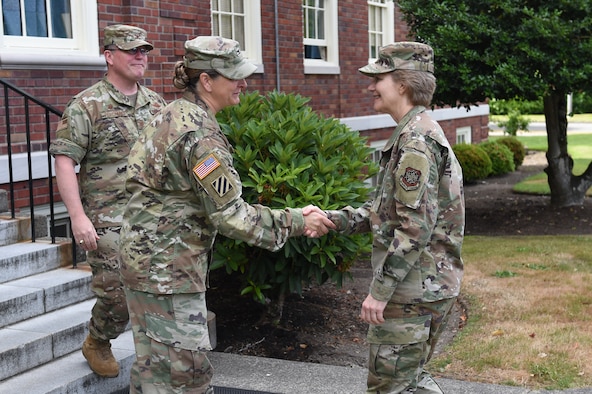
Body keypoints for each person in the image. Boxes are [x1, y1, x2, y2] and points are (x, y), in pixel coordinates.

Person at [118, 35, 335, 393]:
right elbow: (231, 215)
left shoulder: (170, 114)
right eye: (234, 76)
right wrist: (298, 220)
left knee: (152, 373)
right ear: (206, 80)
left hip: (145, 266)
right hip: (167, 273)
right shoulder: (199, 136)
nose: (243, 83)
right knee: (186, 378)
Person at [323, 42, 465, 394]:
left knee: (390, 387)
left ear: (402, 84)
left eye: (379, 78)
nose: (371, 86)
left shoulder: (415, 141)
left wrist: (379, 292)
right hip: (424, 287)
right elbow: (388, 213)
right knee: (410, 381)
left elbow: (414, 229)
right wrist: (331, 219)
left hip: (411, 292)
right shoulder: (414, 132)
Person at [49, 24, 166, 378]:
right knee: (116, 292)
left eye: (143, 51)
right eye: (131, 50)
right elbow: (65, 160)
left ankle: (158, 353)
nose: (139, 56)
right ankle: (98, 340)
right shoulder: (87, 105)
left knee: (158, 287)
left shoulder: (156, 103)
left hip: (152, 213)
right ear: (109, 56)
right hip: (107, 218)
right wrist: (77, 216)